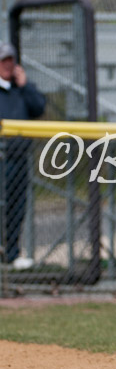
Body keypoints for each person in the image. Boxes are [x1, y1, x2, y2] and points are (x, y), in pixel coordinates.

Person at [0, 42, 46, 271]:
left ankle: (11, 254)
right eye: (3, 61)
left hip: (19, 158)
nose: (8, 65)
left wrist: (25, 85)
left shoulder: (23, 89)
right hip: (1, 159)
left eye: (10, 60)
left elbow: (39, 107)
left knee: (17, 209)